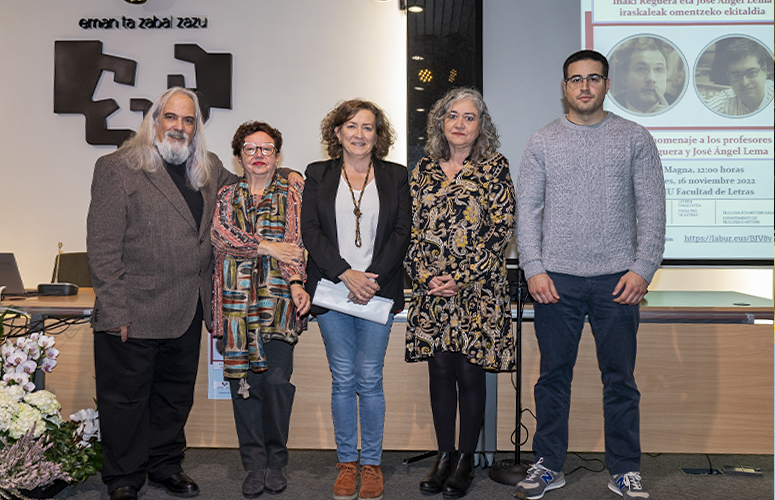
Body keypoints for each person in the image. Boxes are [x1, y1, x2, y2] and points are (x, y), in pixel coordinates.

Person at [514, 50, 665, 500]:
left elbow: (652, 208)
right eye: (576, 79)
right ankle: (548, 465)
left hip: (617, 281)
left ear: (607, 84)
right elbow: (528, 213)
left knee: (620, 380)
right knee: (552, 379)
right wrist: (533, 268)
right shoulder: (542, 141)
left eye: (593, 78)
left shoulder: (635, 138)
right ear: (564, 87)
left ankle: (625, 469)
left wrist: (643, 268)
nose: (584, 87)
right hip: (555, 281)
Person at [87, 87, 237, 500]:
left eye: (189, 120)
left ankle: (165, 465)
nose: (179, 127)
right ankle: (123, 477)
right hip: (132, 310)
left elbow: (247, 188)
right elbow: (102, 246)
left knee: (174, 397)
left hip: (188, 307)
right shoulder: (118, 167)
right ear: (154, 121)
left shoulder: (208, 167)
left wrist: (288, 175)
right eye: (171, 117)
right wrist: (114, 310)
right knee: (125, 400)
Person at [404, 87, 516, 499]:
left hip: (477, 291)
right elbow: (407, 228)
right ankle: (444, 455)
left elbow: (502, 228)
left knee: (470, 372)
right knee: (439, 372)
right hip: (431, 291)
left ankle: (466, 459)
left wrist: (461, 277)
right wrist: (425, 275)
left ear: (481, 125)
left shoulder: (494, 167)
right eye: (453, 115)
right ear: (441, 121)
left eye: (469, 117)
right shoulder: (423, 169)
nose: (460, 123)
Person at [301, 99, 410, 500]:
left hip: (377, 291)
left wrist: (370, 279)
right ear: (337, 132)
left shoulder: (396, 175)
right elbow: (311, 231)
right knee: (344, 378)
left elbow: (402, 232)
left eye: (367, 127)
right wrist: (346, 273)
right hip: (333, 290)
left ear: (377, 135)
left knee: (370, 379)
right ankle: (347, 462)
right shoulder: (318, 173)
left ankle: (372, 464)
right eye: (351, 126)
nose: (359, 134)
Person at [211, 121, 310, 498]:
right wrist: (266, 247)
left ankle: (276, 461)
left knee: (277, 384)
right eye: (250, 149)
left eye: (266, 149)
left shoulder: (292, 191)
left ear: (278, 156)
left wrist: (297, 282)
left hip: (279, 304)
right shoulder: (226, 195)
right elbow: (221, 236)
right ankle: (254, 464)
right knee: (244, 386)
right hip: (235, 310)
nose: (258, 155)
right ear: (239, 157)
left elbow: (294, 242)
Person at [705, 37, 774, 116]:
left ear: (764, 71)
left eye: (751, 73)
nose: (744, 83)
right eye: (736, 76)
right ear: (729, 78)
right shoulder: (722, 104)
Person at [612, 37, 672, 114]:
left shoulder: (679, 109)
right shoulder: (610, 107)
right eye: (641, 69)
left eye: (658, 69)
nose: (651, 78)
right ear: (624, 79)